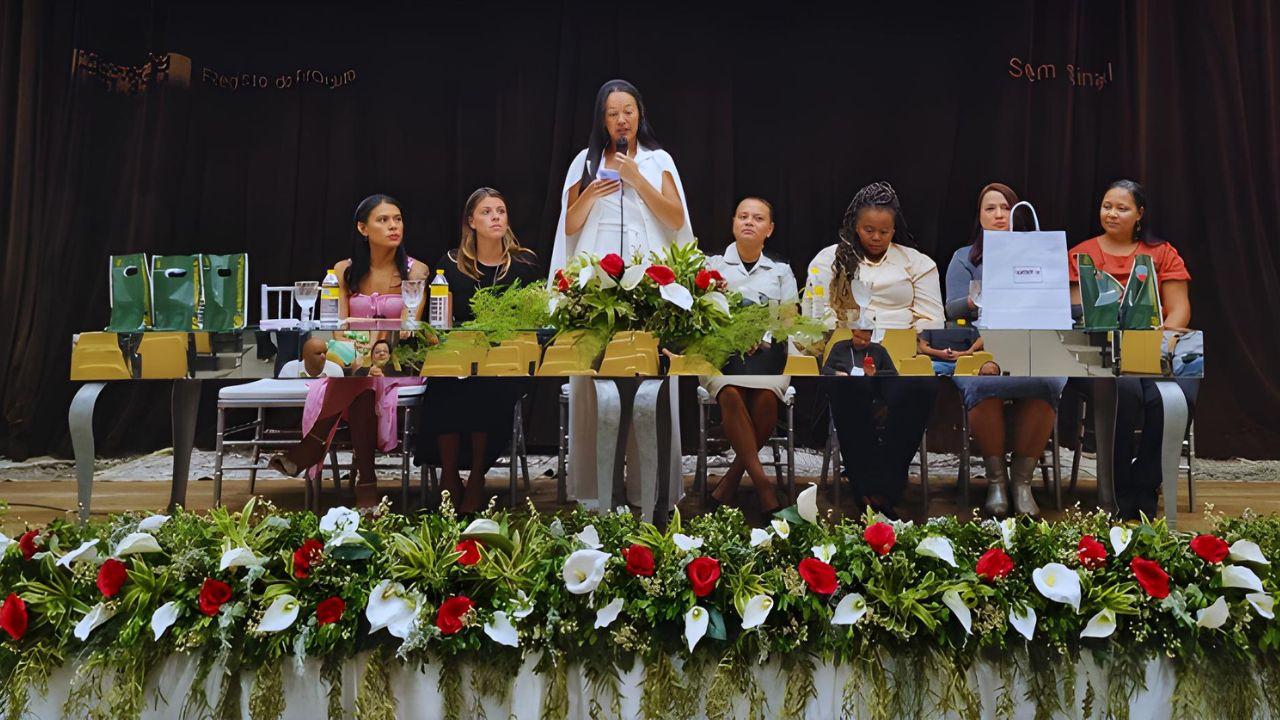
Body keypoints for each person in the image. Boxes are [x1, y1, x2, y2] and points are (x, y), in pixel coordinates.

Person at [551, 79, 693, 512]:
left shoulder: (657, 159)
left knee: (648, 390)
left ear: (639, 113)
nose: (621, 120)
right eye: (612, 113)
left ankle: (651, 495)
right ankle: (601, 495)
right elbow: (570, 227)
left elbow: (675, 216)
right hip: (598, 289)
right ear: (602, 119)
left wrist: (637, 179)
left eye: (627, 111)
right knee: (601, 392)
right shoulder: (586, 161)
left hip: (650, 286)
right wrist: (591, 192)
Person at [269, 194, 427, 507]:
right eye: (383, 220)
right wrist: (356, 350)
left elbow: (410, 325)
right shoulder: (343, 271)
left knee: (360, 377)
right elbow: (338, 326)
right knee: (361, 384)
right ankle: (366, 485)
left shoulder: (416, 271)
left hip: (398, 363)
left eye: (397, 219)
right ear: (362, 228)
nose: (393, 226)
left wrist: (371, 349)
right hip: (355, 361)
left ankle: (314, 445)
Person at [1068, 179, 1196, 519]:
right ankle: (1120, 492)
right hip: (1102, 357)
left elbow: (1179, 309)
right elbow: (1078, 312)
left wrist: (1164, 336)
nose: (1111, 213)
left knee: (1176, 397)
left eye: (1121, 208)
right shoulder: (1081, 254)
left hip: (1155, 350)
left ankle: (1146, 482)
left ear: (1139, 214)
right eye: (1107, 206)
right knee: (1126, 391)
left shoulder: (1162, 252)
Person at [945, 183, 1067, 516]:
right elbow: (951, 309)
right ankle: (997, 482)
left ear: (1016, 212)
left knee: (1049, 380)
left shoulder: (1042, 255)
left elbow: (1060, 303)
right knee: (983, 382)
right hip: (979, 346)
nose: (998, 215)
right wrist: (979, 297)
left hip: (1034, 343)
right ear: (979, 216)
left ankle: (1022, 483)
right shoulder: (964, 257)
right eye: (990, 208)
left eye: (1004, 207)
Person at [417, 187, 541, 513]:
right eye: (486, 212)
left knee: (487, 387)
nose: (495, 217)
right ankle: (448, 476)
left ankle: (475, 478)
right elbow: (440, 320)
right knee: (444, 383)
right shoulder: (451, 263)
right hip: (459, 358)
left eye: (500, 210)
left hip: (506, 362)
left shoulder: (524, 262)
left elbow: (533, 320)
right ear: (471, 220)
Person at [821, 182, 942, 517]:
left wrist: (905, 336)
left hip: (901, 352)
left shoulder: (917, 263)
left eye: (884, 231)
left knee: (922, 385)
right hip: (848, 349)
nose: (876, 237)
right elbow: (816, 313)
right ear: (853, 226)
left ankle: (887, 481)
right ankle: (867, 486)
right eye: (868, 230)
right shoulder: (829, 259)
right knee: (850, 384)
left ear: (895, 228)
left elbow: (932, 317)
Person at [702, 197, 798, 514]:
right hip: (721, 355)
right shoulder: (711, 266)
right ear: (733, 223)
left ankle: (729, 483)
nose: (748, 222)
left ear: (769, 230)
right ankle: (766, 491)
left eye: (757, 218)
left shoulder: (781, 270)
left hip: (770, 355)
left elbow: (788, 319)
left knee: (767, 398)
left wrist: (762, 336)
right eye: (742, 216)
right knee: (729, 393)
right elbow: (703, 315)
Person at [917, 327, 982, 376]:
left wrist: (964, 353)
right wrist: (940, 353)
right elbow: (923, 347)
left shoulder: (969, 326)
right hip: (937, 363)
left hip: (963, 362)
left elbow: (980, 341)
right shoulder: (931, 325)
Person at [279, 337, 344, 378]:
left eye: (325, 352)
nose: (323, 357)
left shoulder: (336, 371)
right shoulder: (288, 369)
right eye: (318, 353)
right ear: (305, 356)